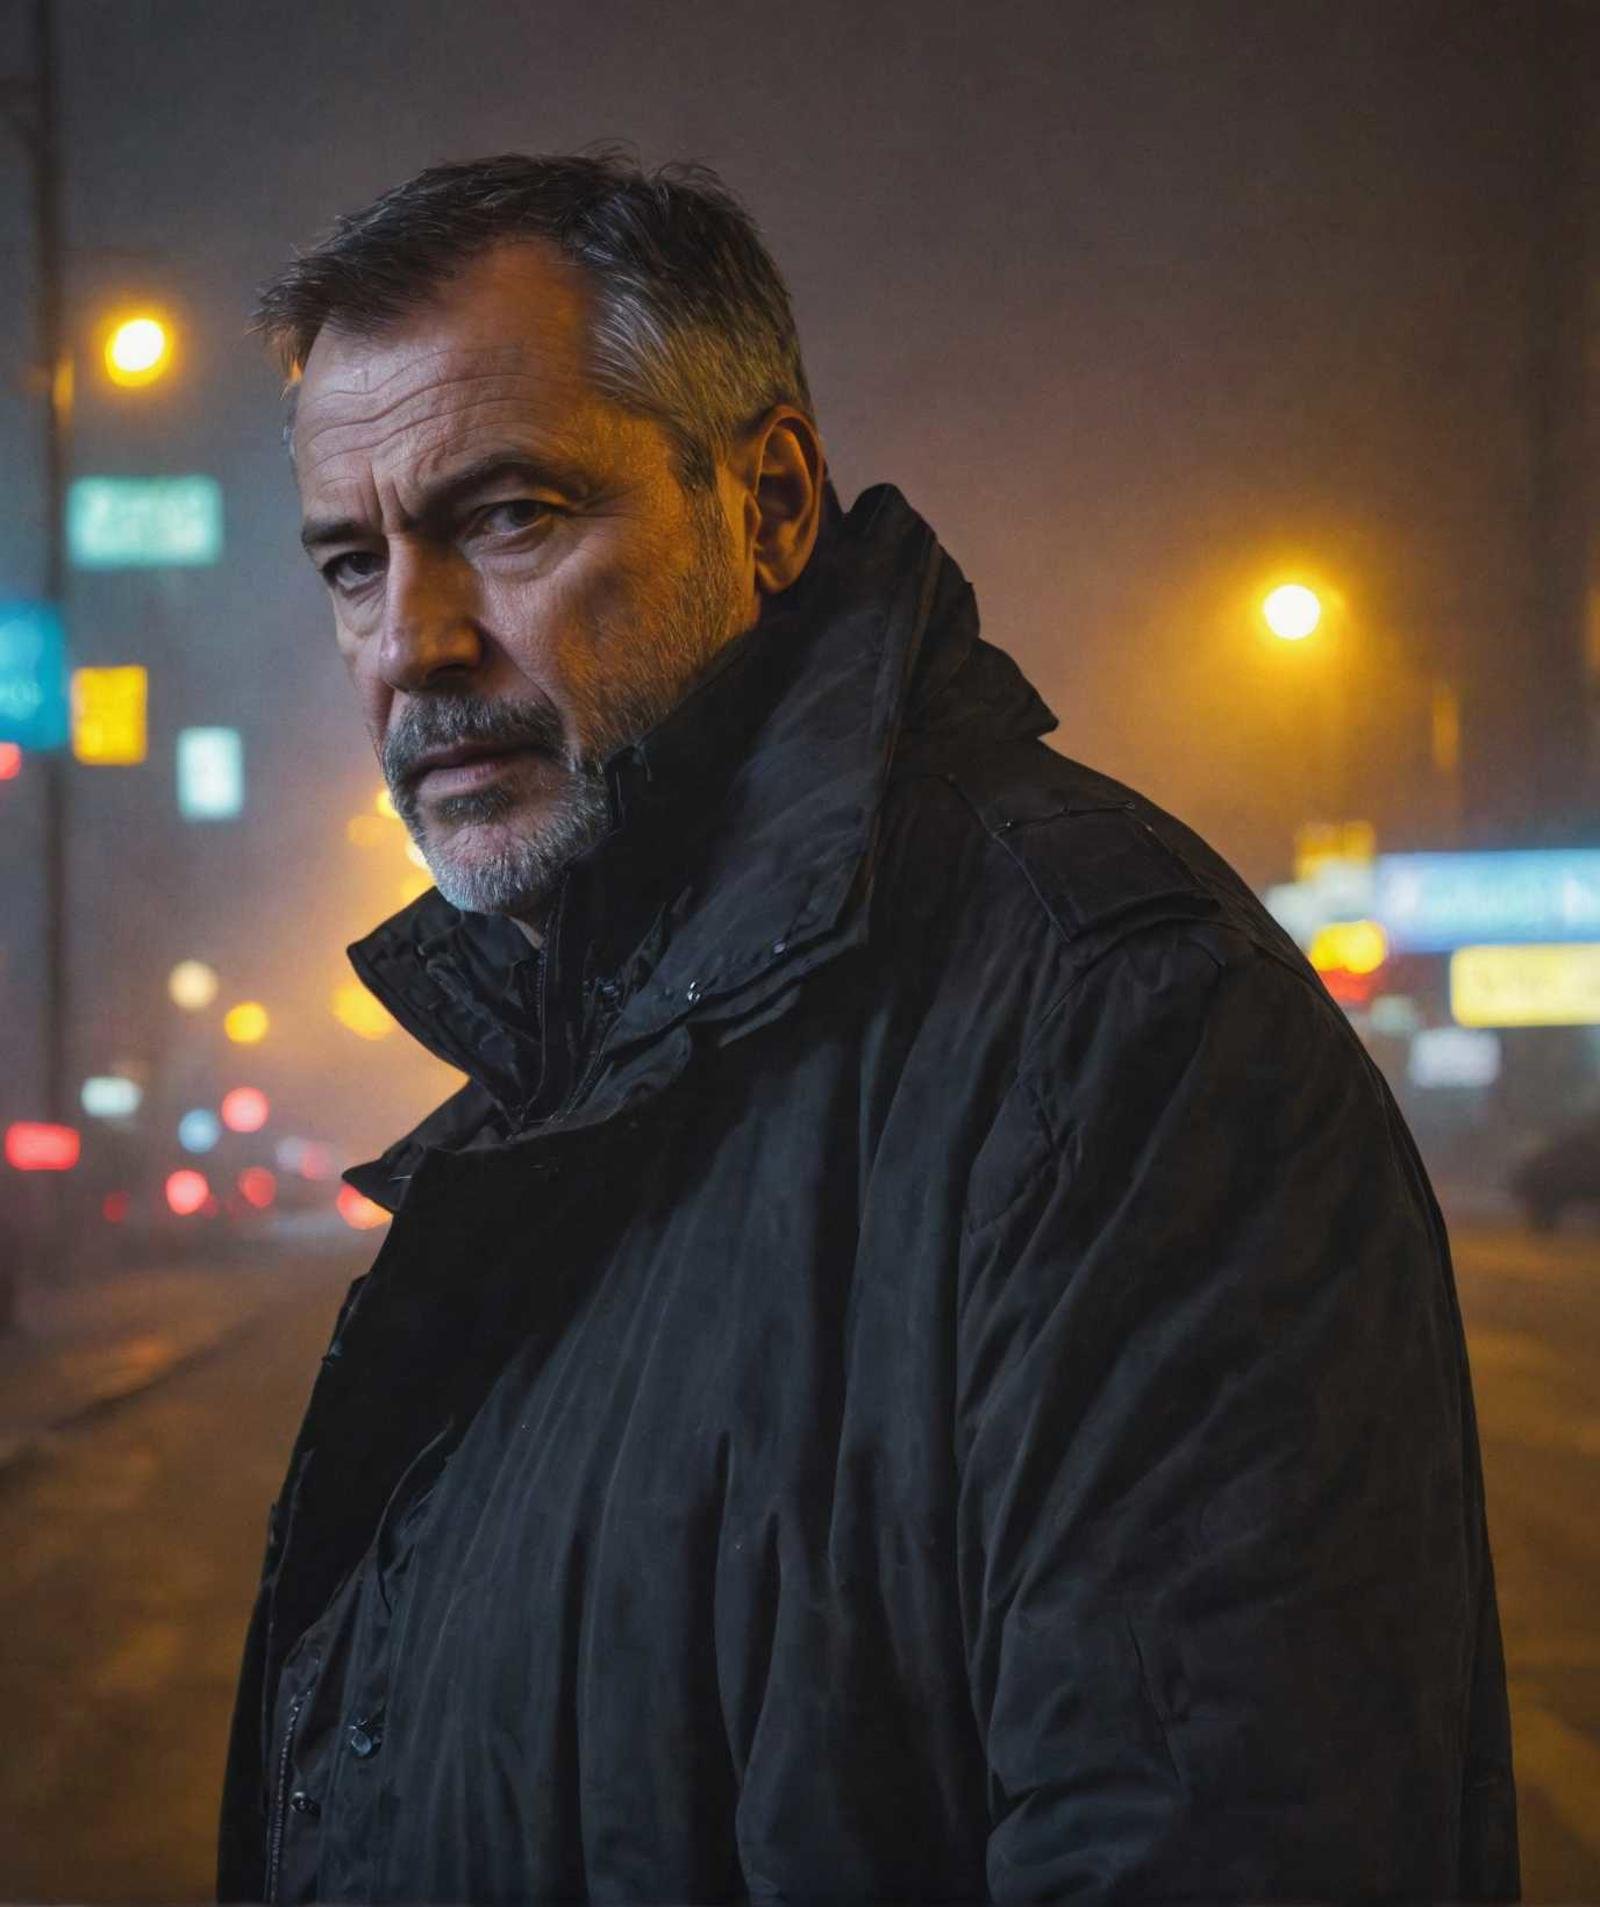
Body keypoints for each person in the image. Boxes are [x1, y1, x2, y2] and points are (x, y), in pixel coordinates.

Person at [219, 152, 1516, 1905]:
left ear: (768, 505)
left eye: (511, 517)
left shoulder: (1117, 1037)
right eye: (351, 567)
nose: (416, 644)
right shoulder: (560, 1095)